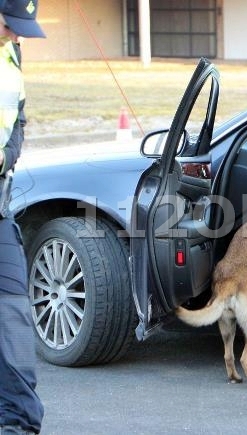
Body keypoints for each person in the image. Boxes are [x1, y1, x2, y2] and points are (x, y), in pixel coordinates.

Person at [0, 1, 45, 434]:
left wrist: (6, 155)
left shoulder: (10, 53)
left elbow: (17, 121)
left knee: (13, 311)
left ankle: (19, 423)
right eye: (10, 25)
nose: (16, 35)